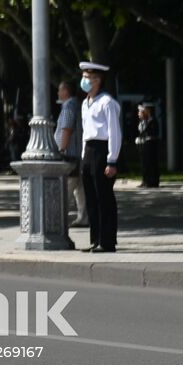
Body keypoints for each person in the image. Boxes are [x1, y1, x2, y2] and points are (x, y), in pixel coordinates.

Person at [78, 61, 121, 253]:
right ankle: (95, 239)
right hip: (89, 152)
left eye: (87, 77)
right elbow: (85, 132)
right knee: (91, 199)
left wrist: (112, 159)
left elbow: (114, 132)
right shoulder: (85, 103)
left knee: (104, 198)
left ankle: (107, 241)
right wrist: (83, 156)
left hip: (102, 151)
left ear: (98, 80)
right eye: (83, 77)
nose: (84, 81)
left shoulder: (107, 102)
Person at [55, 82, 87, 226]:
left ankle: (59, 218)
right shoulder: (78, 104)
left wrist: (62, 149)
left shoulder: (68, 106)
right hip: (79, 152)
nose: (57, 93)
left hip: (70, 154)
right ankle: (84, 217)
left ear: (66, 91)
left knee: (66, 187)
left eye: (59, 90)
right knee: (80, 188)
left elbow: (66, 129)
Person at [136, 102, 161, 188]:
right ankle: (146, 180)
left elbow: (153, 133)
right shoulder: (144, 122)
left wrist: (145, 137)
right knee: (145, 163)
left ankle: (153, 182)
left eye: (145, 109)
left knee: (152, 163)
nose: (143, 111)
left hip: (151, 145)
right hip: (145, 145)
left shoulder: (153, 121)